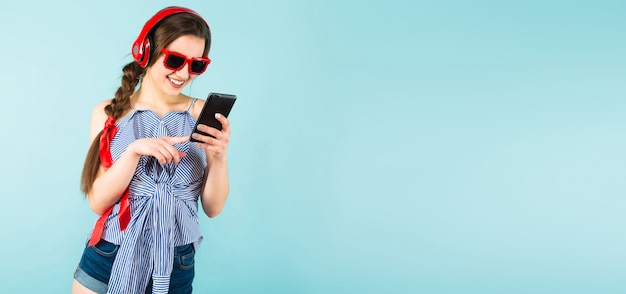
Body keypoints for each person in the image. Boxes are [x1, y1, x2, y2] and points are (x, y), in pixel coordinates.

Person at [72, 6, 231, 294]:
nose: (183, 73)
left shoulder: (202, 115)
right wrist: (133, 152)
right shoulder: (109, 113)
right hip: (110, 252)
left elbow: (213, 208)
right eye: (174, 60)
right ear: (146, 52)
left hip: (174, 260)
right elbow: (97, 201)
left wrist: (219, 157)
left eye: (196, 65)